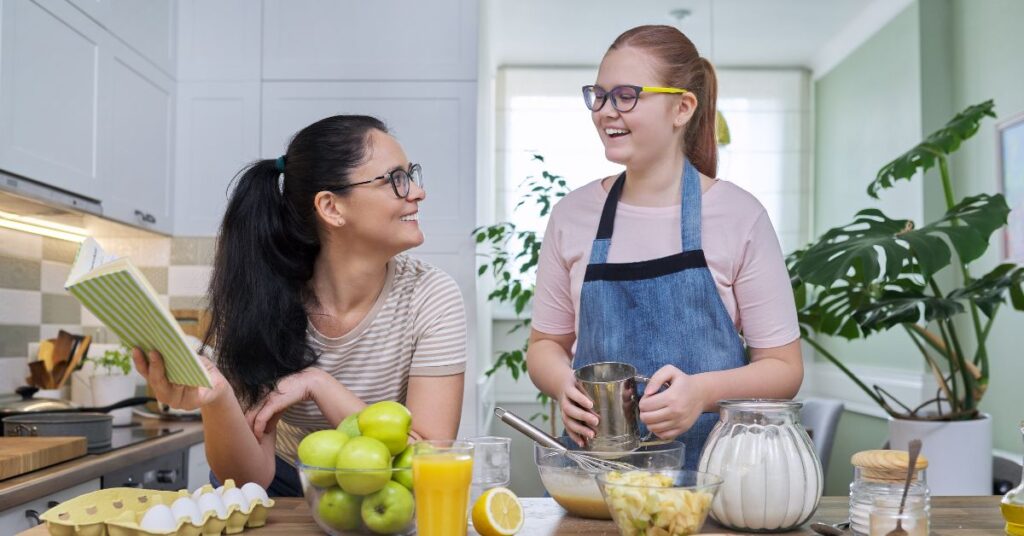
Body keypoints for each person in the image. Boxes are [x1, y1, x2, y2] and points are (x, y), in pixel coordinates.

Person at [133, 115, 467, 495]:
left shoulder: (432, 296)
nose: (418, 193)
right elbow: (249, 477)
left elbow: (428, 462)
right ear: (331, 207)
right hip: (280, 490)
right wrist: (217, 399)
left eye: (412, 175)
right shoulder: (263, 294)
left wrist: (319, 385)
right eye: (396, 180)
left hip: (386, 489)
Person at [525, 25, 802, 469]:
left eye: (626, 95)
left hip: (711, 485)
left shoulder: (740, 215)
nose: (605, 111)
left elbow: (784, 369)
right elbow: (544, 345)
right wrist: (563, 384)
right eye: (599, 95)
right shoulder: (571, 216)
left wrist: (702, 394)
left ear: (682, 108)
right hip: (593, 485)